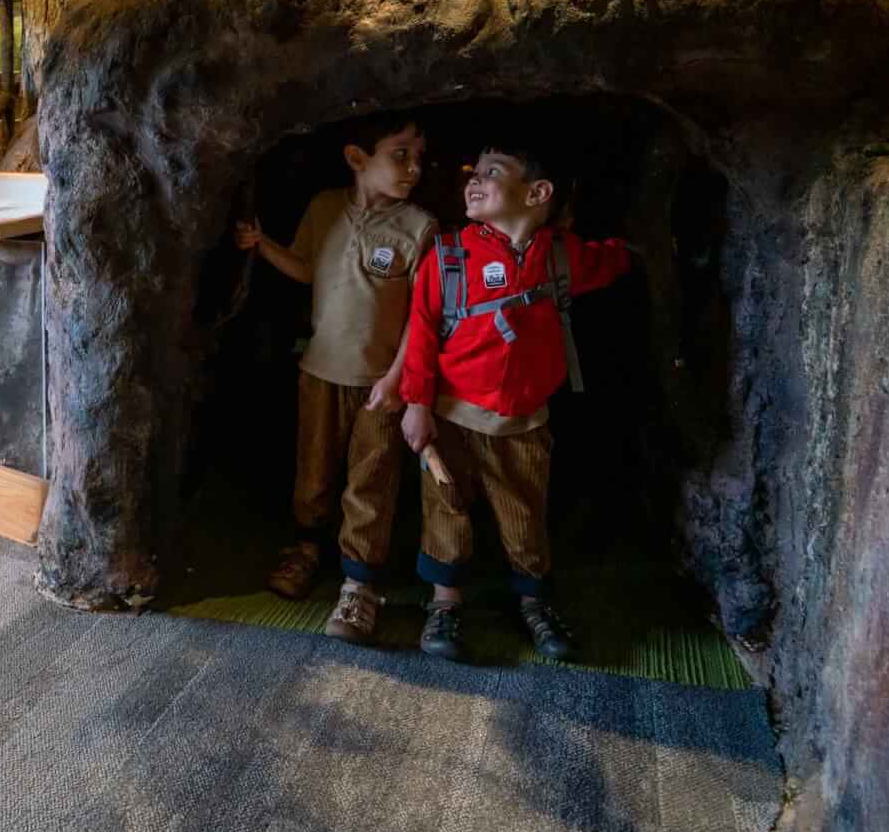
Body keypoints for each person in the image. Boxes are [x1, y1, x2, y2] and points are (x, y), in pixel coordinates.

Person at [397, 137, 632, 663]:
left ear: (537, 192)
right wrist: (416, 403)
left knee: (524, 512)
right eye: (473, 172)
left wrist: (635, 251)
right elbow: (421, 331)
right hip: (453, 416)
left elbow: (607, 262)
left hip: (525, 422)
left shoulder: (560, 255)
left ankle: (534, 603)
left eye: (492, 171)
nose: (474, 181)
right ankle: (445, 604)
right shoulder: (450, 254)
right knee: (447, 509)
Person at [234, 114, 435, 645]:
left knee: (371, 477)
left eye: (419, 156)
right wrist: (262, 245)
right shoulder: (324, 209)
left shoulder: (420, 227)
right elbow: (306, 268)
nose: (413, 167)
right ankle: (305, 549)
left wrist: (397, 381)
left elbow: (424, 316)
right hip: (320, 369)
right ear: (356, 159)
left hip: (380, 384)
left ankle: (360, 584)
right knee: (314, 467)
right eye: (400, 154)